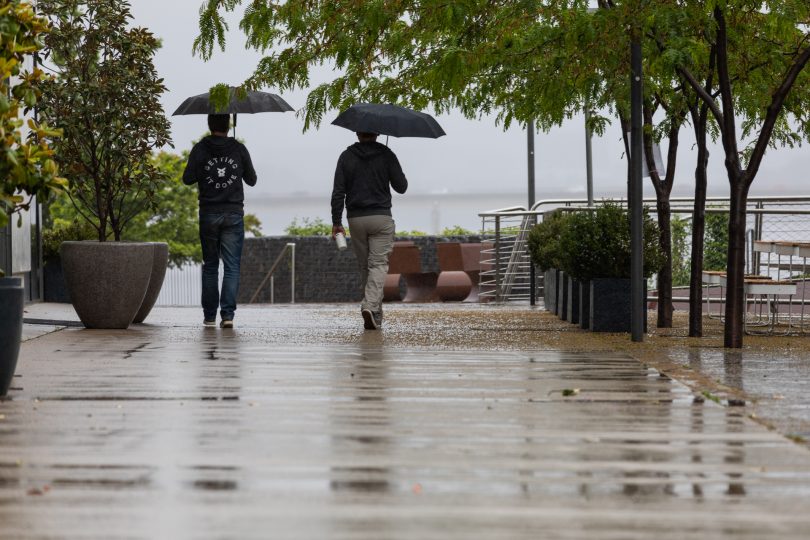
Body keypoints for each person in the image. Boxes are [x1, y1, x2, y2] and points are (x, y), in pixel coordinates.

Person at [183, 114, 257, 328]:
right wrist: (238, 161)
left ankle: (208, 316)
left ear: (209, 124)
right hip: (233, 214)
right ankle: (227, 316)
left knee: (210, 266)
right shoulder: (238, 148)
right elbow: (252, 180)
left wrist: (203, 168)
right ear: (229, 124)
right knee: (232, 266)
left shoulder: (200, 149)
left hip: (208, 213)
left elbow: (187, 178)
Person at [331, 132, 408, 330]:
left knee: (365, 266)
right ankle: (370, 305)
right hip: (381, 218)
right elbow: (402, 187)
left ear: (357, 133)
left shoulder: (346, 156)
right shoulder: (386, 154)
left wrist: (336, 222)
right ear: (378, 133)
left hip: (355, 219)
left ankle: (375, 315)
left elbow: (338, 191)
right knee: (378, 265)